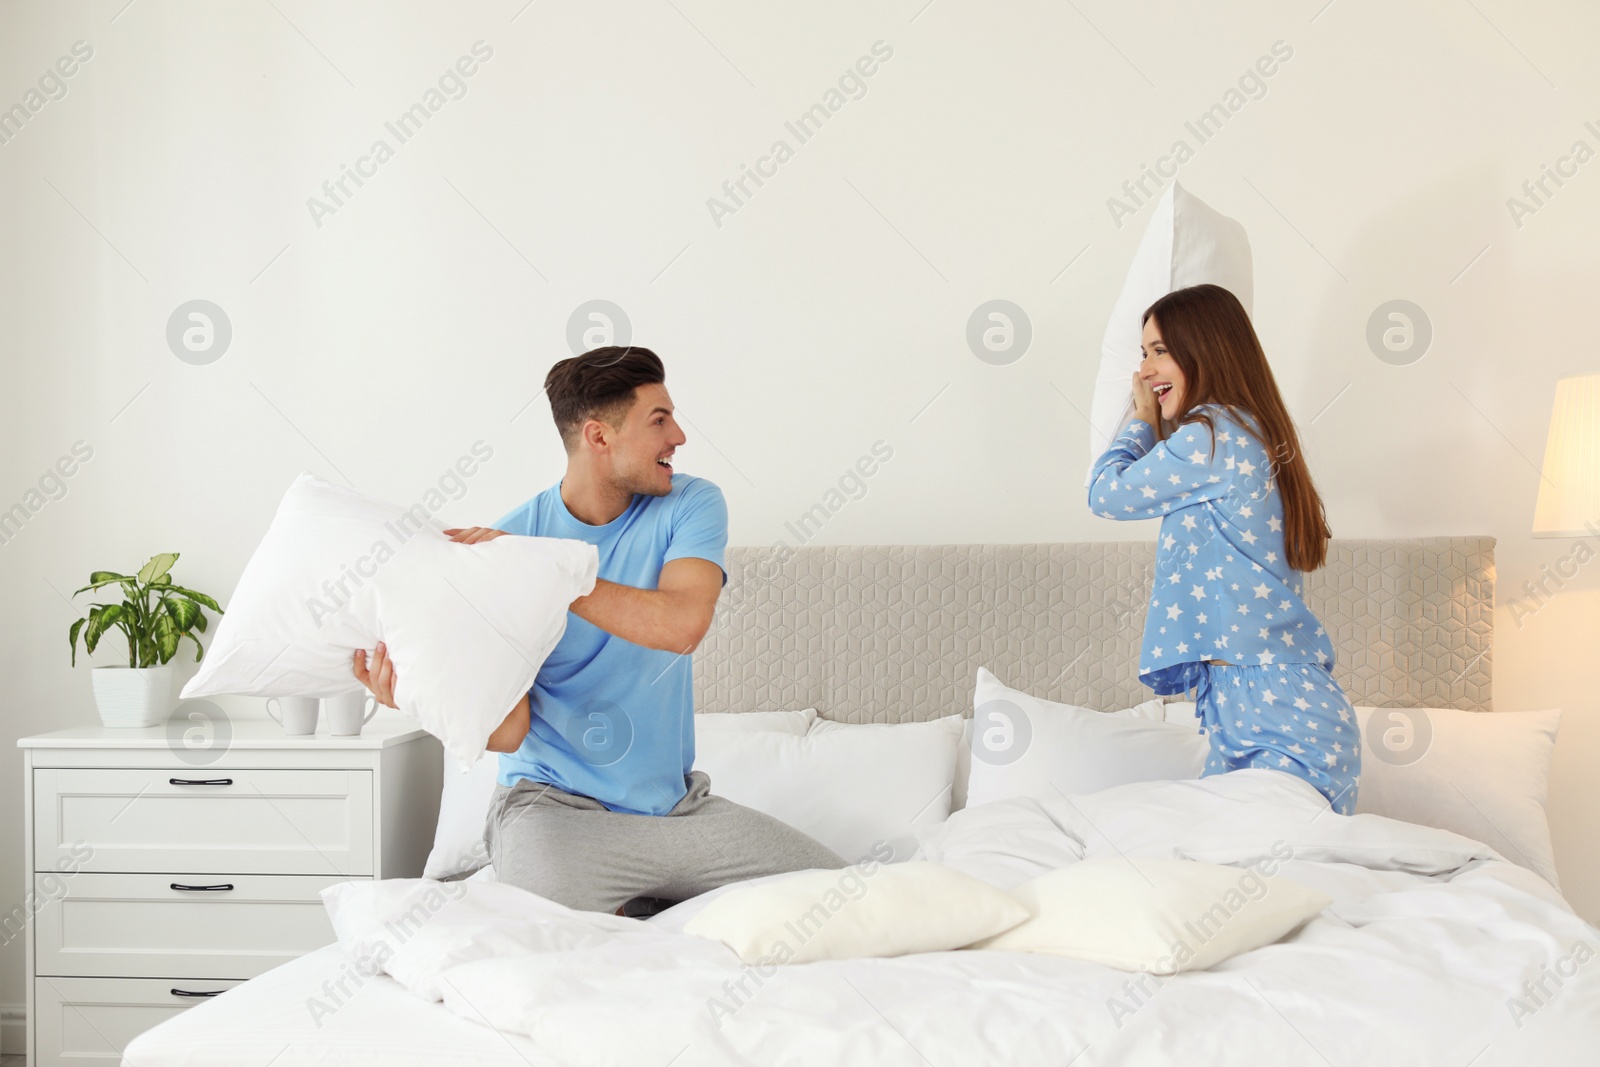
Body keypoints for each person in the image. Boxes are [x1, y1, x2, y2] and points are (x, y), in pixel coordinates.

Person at [354, 346, 845, 916]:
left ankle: (642, 907)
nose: (679, 437)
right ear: (599, 436)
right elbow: (511, 731)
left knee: (852, 898)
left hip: (674, 813)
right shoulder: (510, 547)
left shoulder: (688, 504)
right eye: (659, 421)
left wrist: (553, 574)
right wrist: (420, 695)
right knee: (546, 948)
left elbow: (683, 624)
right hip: (553, 812)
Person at [1087, 284, 1361, 813]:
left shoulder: (1211, 435)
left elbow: (1106, 493)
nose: (1144, 372)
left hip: (1276, 715)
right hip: (1265, 708)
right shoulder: (1247, 432)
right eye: (1143, 354)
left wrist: (1142, 423)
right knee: (1239, 881)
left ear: (1205, 349)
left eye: (1160, 351)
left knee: (1257, 878)